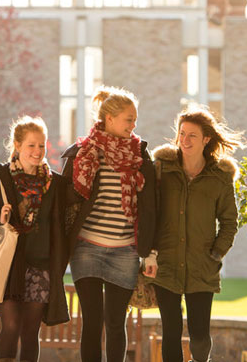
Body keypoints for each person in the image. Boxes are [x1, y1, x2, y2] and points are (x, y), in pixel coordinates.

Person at [60, 86, 158, 362]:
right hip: (86, 249)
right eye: (129, 118)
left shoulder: (140, 155)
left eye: (135, 119)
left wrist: (150, 251)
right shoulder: (85, 152)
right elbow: (65, 201)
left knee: (116, 323)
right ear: (110, 118)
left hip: (124, 251)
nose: (134, 124)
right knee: (91, 322)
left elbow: (151, 207)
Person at [0, 116, 69, 362]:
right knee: (10, 326)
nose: (37, 151)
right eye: (31, 145)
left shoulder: (53, 183)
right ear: (17, 145)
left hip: (40, 265)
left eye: (42, 145)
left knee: (30, 331)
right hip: (7, 265)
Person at [146, 105, 245, 362]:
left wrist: (216, 253)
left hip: (202, 265)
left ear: (206, 139)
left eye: (192, 135)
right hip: (166, 265)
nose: (185, 140)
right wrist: (151, 253)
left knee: (200, 337)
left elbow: (229, 221)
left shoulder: (219, 178)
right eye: (182, 134)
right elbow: (149, 213)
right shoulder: (162, 170)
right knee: (171, 332)